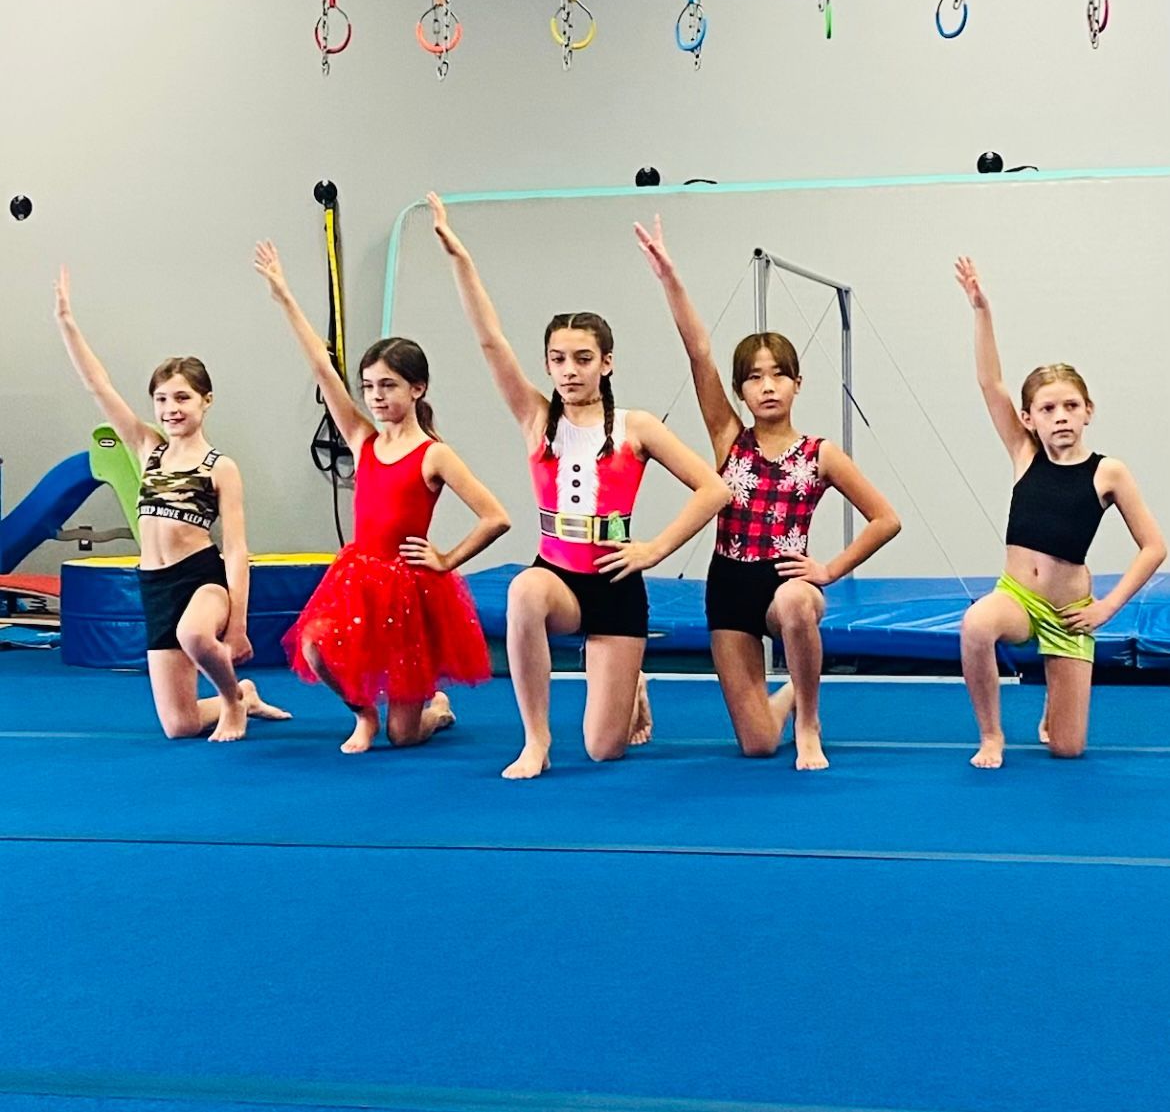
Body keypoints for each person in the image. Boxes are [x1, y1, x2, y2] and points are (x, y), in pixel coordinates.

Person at [429, 193, 731, 779]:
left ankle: (632, 686)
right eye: (559, 359)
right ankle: (536, 739)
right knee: (523, 593)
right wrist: (461, 260)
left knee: (603, 749)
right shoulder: (537, 420)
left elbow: (714, 489)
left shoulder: (636, 427)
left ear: (606, 363)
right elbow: (491, 342)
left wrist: (653, 550)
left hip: (617, 583)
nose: (569, 370)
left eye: (583, 359)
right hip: (559, 575)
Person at [636, 216, 901, 770]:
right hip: (729, 582)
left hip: (786, 580)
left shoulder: (821, 454)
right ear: (741, 391)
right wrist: (670, 279)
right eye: (755, 378)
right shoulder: (728, 438)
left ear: (797, 384)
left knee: (799, 605)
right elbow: (698, 355)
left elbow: (885, 518)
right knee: (757, 745)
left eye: (779, 375)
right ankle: (784, 701)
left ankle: (808, 721)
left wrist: (829, 569)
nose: (768, 385)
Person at [255, 241, 509, 753]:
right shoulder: (363, 439)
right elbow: (324, 372)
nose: (376, 396)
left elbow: (495, 516)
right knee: (314, 645)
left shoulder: (434, 455)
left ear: (417, 389)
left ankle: (433, 710)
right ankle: (363, 714)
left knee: (406, 736)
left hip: (408, 585)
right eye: (369, 386)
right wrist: (284, 296)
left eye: (388, 386)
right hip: (358, 575)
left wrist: (446, 559)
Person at [53, 267, 289, 741]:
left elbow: (237, 548)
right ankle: (241, 693)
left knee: (196, 635)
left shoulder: (220, 466)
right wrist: (67, 324)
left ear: (206, 401)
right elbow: (100, 387)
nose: (170, 408)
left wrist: (238, 623)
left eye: (182, 397)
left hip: (200, 578)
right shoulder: (148, 448)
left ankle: (230, 706)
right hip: (155, 585)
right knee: (179, 725)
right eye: (161, 399)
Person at [954, 255, 1165, 767]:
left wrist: (1106, 608)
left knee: (1068, 750)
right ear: (1029, 418)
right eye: (1047, 409)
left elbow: (1155, 546)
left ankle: (1053, 704)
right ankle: (992, 736)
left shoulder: (1107, 471)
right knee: (976, 626)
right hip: (1018, 599)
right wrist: (982, 310)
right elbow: (990, 384)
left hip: (1071, 615)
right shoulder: (1024, 454)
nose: (1061, 416)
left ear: (1088, 410)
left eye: (1071, 406)